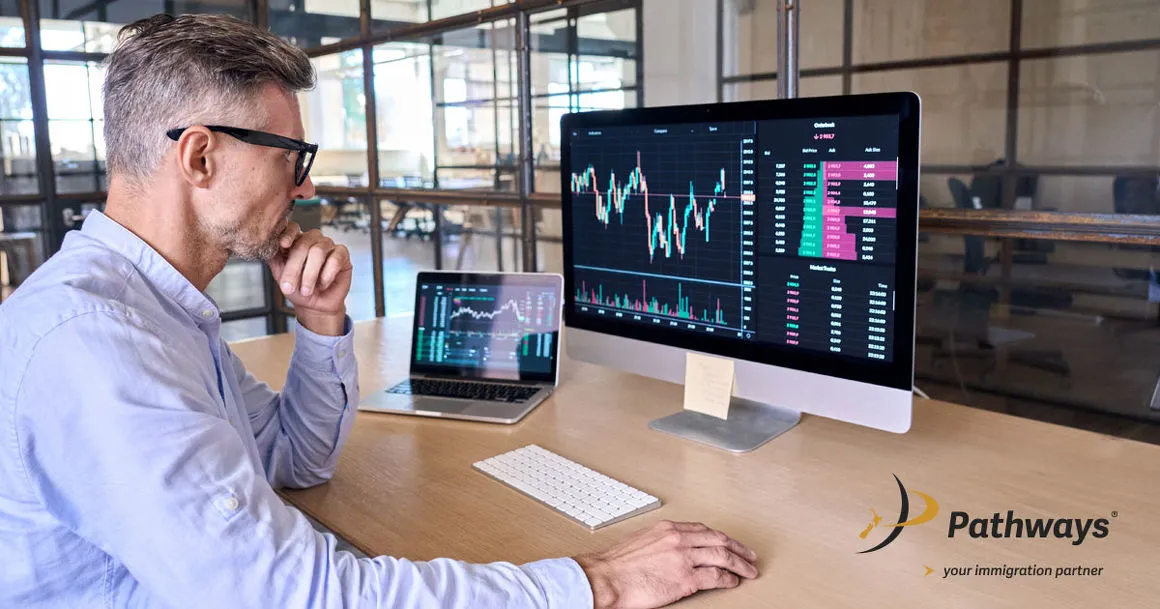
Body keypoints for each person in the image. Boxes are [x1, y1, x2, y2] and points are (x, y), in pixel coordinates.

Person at [0, 14, 758, 609]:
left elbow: (295, 462)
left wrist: (322, 322)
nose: (301, 187)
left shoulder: (157, 313)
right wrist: (599, 580)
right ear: (199, 157)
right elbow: (301, 595)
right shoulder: (100, 346)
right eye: (290, 156)